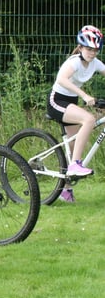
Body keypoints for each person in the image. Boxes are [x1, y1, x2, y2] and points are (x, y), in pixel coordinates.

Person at [47, 25, 105, 203]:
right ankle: (75, 166)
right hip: (57, 101)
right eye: (88, 49)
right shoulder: (74, 62)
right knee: (89, 119)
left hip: (70, 103)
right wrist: (84, 95)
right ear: (80, 47)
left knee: (73, 148)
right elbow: (61, 80)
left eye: (95, 50)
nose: (92, 53)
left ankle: (66, 189)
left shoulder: (95, 63)